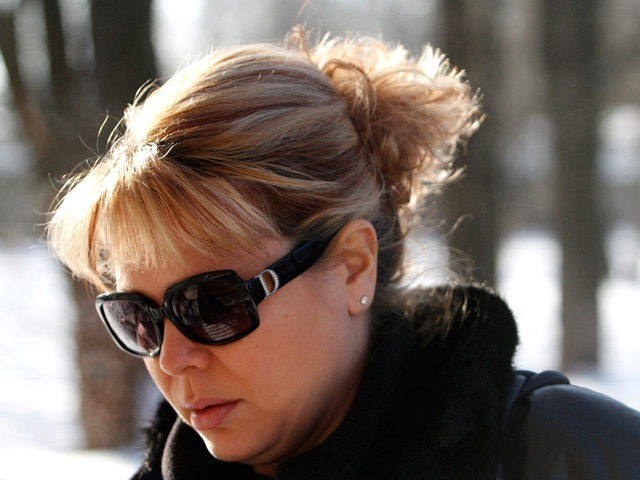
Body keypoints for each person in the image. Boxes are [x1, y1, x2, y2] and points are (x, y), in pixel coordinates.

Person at [47, 27, 640, 479]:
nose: (173, 360)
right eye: (140, 318)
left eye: (213, 304)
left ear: (354, 266)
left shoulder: (575, 455)